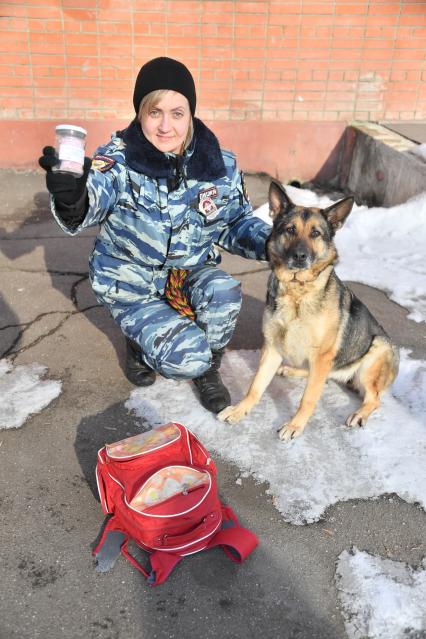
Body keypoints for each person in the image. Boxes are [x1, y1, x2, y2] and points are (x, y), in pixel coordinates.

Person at [39, 57, 271, 414]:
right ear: (140, 113)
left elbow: (235, 223)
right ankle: (140, 341)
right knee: (185, 358)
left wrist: (276, 242)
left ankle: (209, 368)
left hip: (187, 273)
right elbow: (92, 201)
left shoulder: (219, 164)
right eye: (155, 112)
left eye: (177, 113)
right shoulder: (118, 159)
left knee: (223, 292)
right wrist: (73, 196)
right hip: (131, 282)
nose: (166, 126)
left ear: (190, 114)